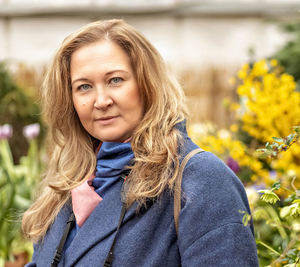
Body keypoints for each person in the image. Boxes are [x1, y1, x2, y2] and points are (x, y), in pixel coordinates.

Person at [22, 19, 258, 267]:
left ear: (147, 84)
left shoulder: (197, 180)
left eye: (115, 80)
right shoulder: (67, 189)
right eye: (84, 87)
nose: (101, 101)